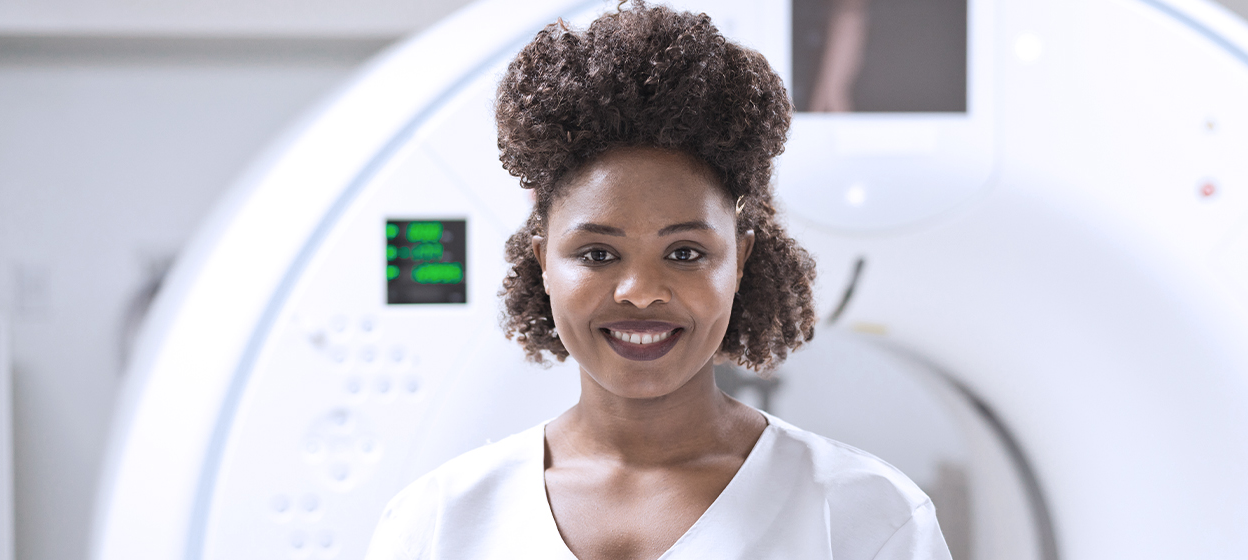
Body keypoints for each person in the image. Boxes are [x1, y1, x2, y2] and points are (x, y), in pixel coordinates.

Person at [364, 2, 952, 558]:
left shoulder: (863, 515)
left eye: (686, 252)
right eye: (597, 253)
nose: (640, 291)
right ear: (543, 261)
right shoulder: (440, 521)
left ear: (740, 261)